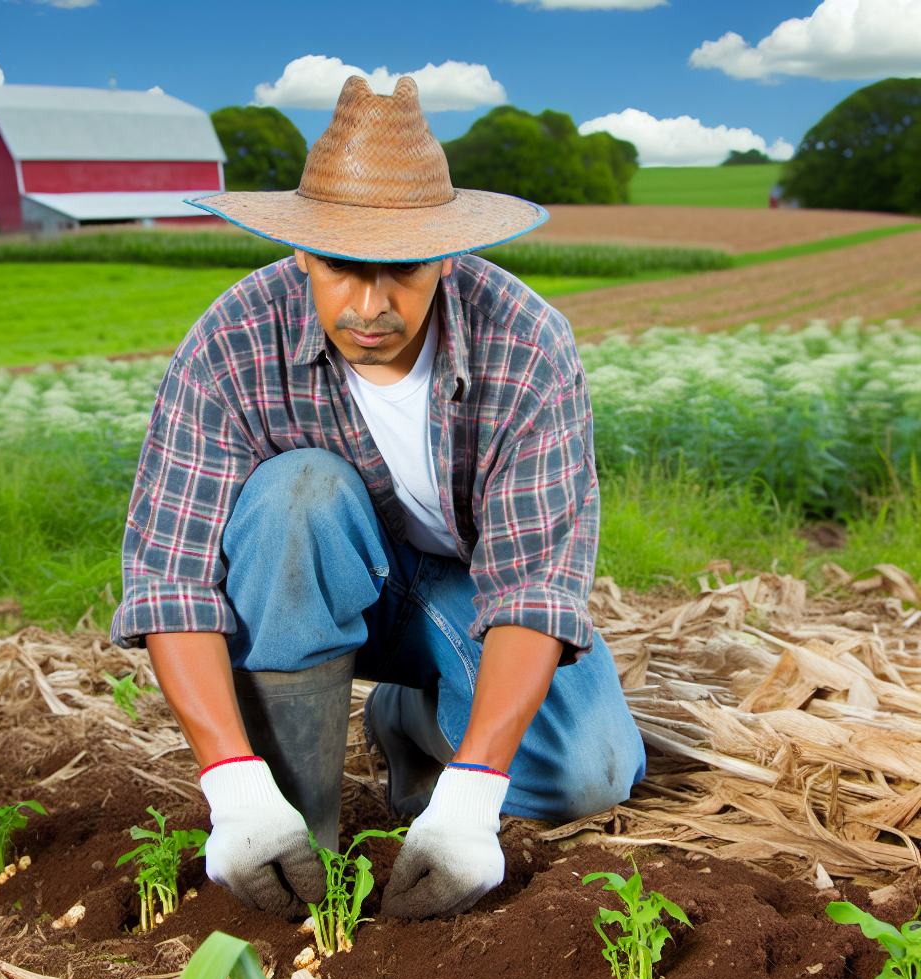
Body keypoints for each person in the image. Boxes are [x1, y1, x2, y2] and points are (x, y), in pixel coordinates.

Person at [112, 75, 645, 922]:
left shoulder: (527, 341)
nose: (370, 307)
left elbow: (537, 587)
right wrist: (231, 784)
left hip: (465, 597)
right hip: (305, 593)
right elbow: (169, 577)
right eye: (340, 270)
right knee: (300, 492)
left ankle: (412, 719)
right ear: (300, 254)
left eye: (401, 271)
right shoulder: (232, 338)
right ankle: (295, 827)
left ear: (446, 254)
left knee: (590, 775)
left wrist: (473, 797)